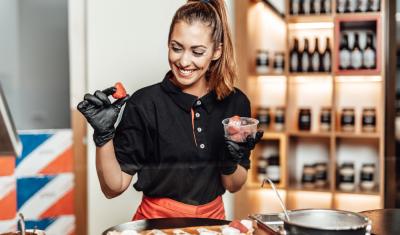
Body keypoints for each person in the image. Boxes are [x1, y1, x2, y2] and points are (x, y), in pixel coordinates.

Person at [77, 0, 263, 220]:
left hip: (212, 225)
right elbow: (113, 187)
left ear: (216, 51)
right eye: (176, 48)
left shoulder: (236, 103)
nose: (184, 61)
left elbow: (233, 185)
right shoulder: (144, 103)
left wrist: (231, 160)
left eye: (197, 51)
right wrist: (104, 136)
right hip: (156, 224)